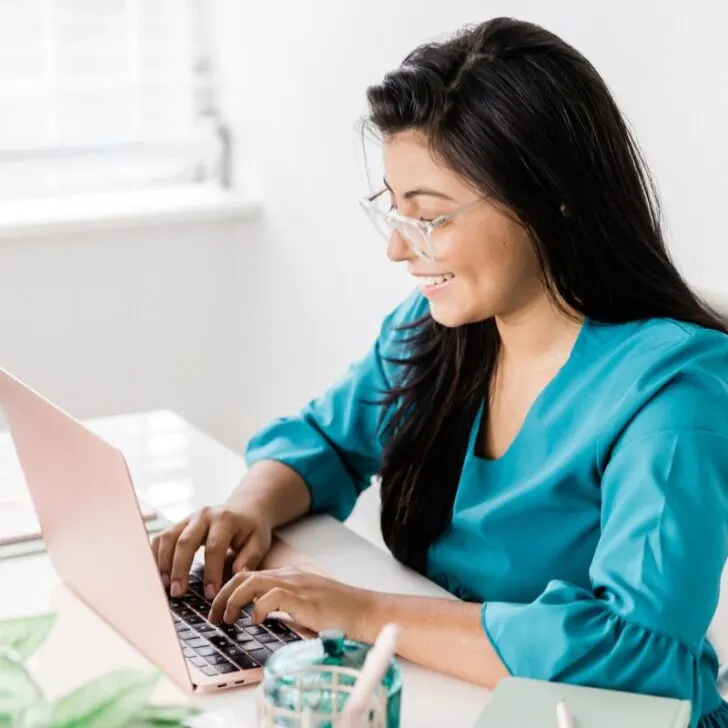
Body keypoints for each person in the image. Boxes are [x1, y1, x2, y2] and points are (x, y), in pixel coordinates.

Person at [152, 16, 728, 727]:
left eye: (429, 217)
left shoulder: (674, 389)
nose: (399, 248)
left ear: (553, 199)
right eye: (393, 211)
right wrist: (247, 511)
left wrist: (362, 613)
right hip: (454, 700)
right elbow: (327, 439)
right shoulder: (438, 330)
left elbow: (635, 650)